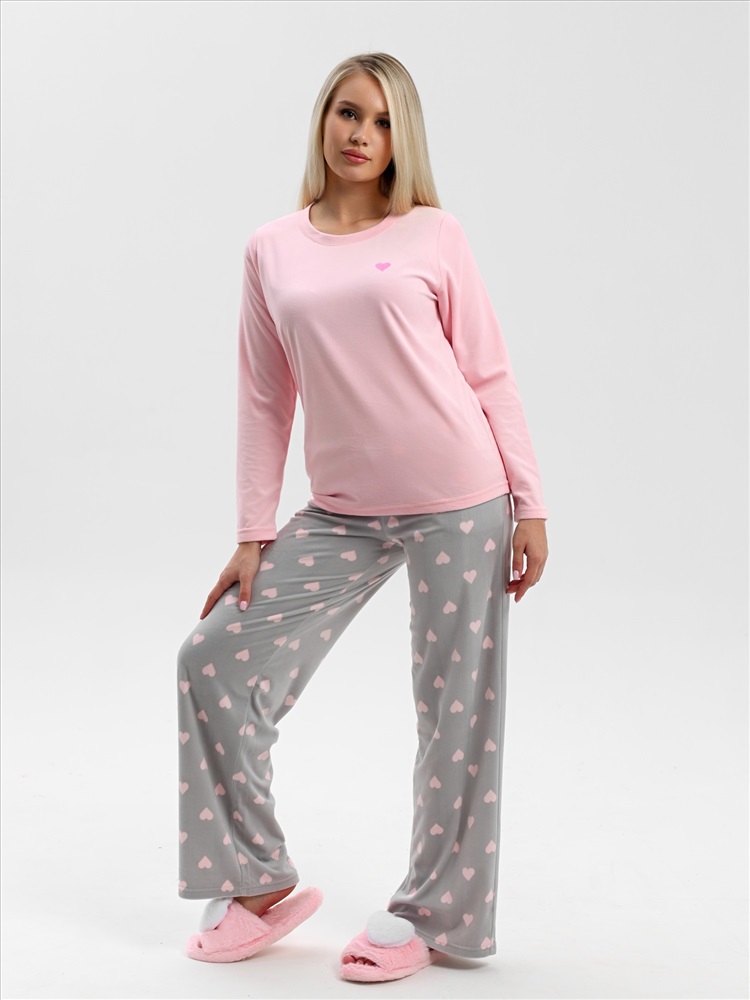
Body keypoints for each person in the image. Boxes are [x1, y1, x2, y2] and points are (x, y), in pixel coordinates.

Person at [176, 51, 549, 983]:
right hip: (341, 512)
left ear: (401, 139)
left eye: (382, 122)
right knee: (212, 658)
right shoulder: (271, 247)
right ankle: (255, 881)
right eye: (348, 112)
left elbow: (489, 372)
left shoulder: (433, 233)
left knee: (456, 712)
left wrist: (530, 503)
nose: (361, 134)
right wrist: (253, 533)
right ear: (323, 119)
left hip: (461, 498)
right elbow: (265, 398)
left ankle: (436, 914)